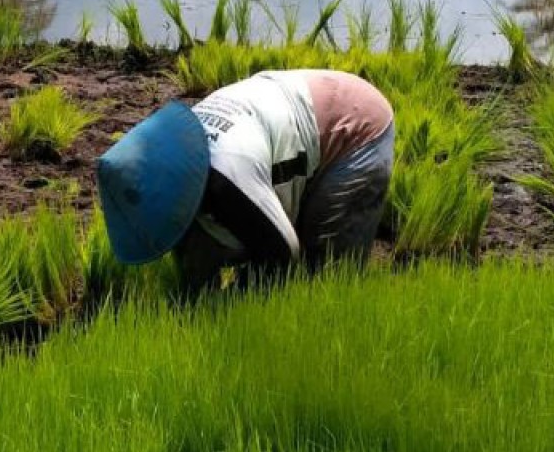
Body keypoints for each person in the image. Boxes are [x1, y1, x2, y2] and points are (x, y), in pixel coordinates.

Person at [96, 70, 395, 289]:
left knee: (326, 273)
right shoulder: (171, 152)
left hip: (355, 124)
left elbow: (282, 255)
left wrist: (237, 298)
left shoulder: (227, 177)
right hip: (289, 103)